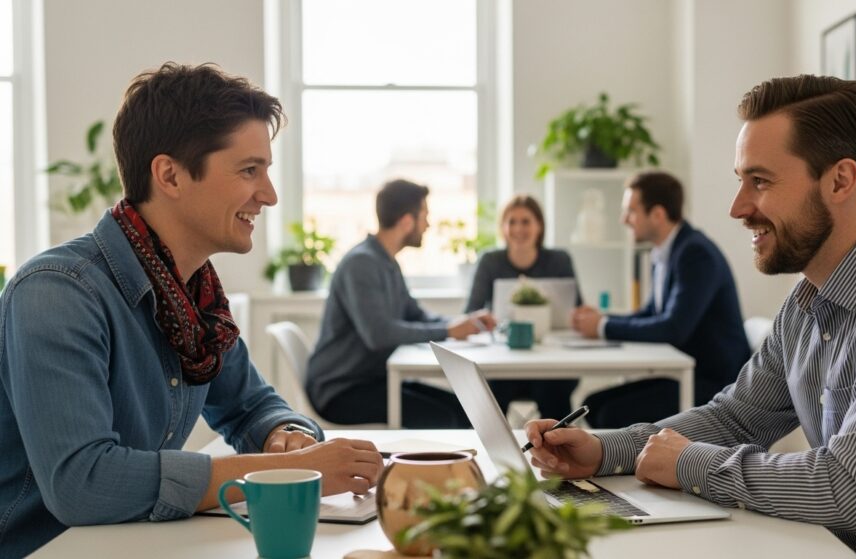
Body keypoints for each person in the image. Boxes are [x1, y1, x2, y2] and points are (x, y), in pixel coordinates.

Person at [527, 75, 856, 557]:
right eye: (740, 181)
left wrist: (689, 463)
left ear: (840, 181)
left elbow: (853, 489)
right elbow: (736, 418)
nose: (737, 207)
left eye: (760, 181)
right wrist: (605, 450)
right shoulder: (807, 301)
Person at [0, 63, 385, 558]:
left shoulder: (194, 298)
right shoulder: (58, 293)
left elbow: (252, 406)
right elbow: (84, 483)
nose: (269, 195)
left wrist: (285, 436)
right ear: (170, 175)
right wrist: (286, 471)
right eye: (249, 170)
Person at [306, 179, 496, 428]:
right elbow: (379, 334)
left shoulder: (386, 262)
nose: (427, 225)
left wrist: (463, 323)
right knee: (446, 418)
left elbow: (415, 313)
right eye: (425, 216)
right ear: (407, 221)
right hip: (341, 389)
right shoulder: (361, 264)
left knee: (464, 409)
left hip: (372, 379)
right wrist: (449, 331)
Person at [572, 171, 750, 427]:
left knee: (609, 414)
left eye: (631, 211)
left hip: (713, 382)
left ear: (657, 214)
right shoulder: (666, 251)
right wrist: (601, 320)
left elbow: (673, 328)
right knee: (592, 406)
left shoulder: (694, 253)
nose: (624, 220)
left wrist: (602, 326)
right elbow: (650, 313)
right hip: (687, 372)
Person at [465, 195, 580, 419]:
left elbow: (576, 309)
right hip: (503, 363)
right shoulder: (490, 261)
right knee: (488, 395)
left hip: (551, 360)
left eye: (526, 221)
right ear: (503, 227)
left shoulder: (559, 260)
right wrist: (483, 319)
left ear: (539, 226)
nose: (518, 229)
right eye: (512, 222)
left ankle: (559, 441)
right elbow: (470, 313)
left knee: (555, 391)